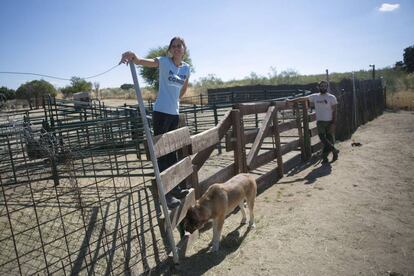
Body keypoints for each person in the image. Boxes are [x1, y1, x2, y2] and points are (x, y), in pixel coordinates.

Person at [120, 36, 191, 208]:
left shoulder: (186, 68)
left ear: (184, 49)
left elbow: (184, 87)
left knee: (171, 152)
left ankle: (174, 189)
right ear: (170, 49)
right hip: (161, 112)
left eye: (179, 46)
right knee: (161, 153)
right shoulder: (165, 62)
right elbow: (146, 62)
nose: (176, 48)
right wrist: (134, 57)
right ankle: (165, 195)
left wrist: (176, 102)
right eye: (173, 46)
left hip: (174, 114)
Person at [286, 80, 339, 164]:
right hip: (320, 121)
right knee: (323, 138)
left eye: (325, 86)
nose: (323, 87)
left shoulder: (331, 97)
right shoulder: (315, 96)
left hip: (329, 121)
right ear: (319, 87)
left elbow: (335, 111)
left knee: (329, 140)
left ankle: (327, 157)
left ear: (327, 87)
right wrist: (291, 101)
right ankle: (334, 150)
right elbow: (302, 98)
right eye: (321, 86)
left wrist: (333, 123)